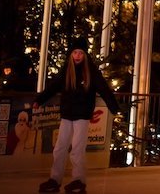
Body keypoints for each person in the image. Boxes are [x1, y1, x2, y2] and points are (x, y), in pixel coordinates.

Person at [34, 40, 121, 194]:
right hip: (67, 115)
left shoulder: (91, 72)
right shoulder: (67, 70)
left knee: (77, 149)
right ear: (71, 54)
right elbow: (53, 86)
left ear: (85, 55)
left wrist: (113, 106)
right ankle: (55, 179)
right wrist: (40, 100)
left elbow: (103, 88)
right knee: (60, 148)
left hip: (82, 115)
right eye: (75, 52)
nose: (77, 55)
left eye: (80, 53)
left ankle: (78, 181)